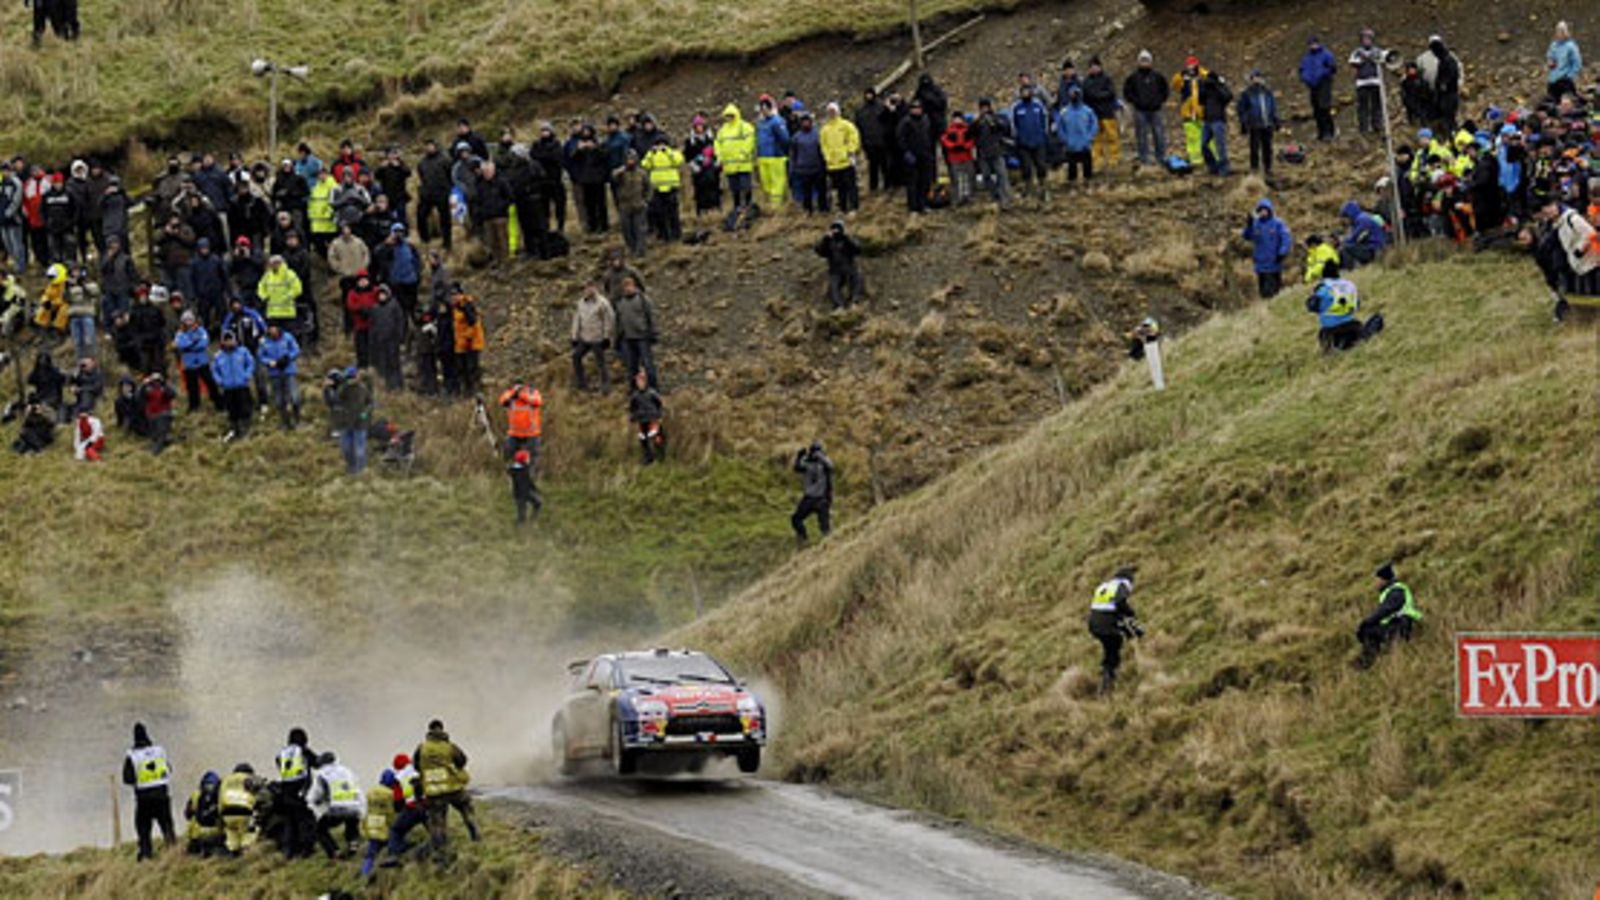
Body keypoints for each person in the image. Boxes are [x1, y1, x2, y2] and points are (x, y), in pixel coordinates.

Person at [414, 720, 480, 853]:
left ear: (429, 731)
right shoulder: (449, 746)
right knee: (466, 808)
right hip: (453, 788)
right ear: (442, 729)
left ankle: (441, 851)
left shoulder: (421, 748)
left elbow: (416, 766)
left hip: (434, 792)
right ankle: (475, 835)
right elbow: (462, 760)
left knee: (438, 823)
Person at [122, 722, 176, 861]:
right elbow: (169, 769)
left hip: (144, 799)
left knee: (143, 828)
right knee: (167, 826)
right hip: (162, 796)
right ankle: (174, 853)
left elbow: (127, 779)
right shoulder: (159, 751)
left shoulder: (133, 755)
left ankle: (146, 854)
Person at [1086, 567, 1143, 694]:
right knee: (1115, 645)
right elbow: (1120, 602)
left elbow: (1111, 609)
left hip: (1094, 623)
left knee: (1110, 648)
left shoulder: (1104, 586)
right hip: (1107, 623)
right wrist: (1131, 614)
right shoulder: (1122, 585)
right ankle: (1107, 681)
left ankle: (1106, 674)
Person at [1356, 562, 1422, 669]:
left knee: (1369, 630)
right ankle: (1368, 660)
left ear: (1384, 579)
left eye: (1377, 579)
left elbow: (1386, 610)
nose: (1375, 582)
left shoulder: (1396, 591)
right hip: (1399, 623)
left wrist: (1366, 622)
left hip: (1403, 625)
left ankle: (1366, 663)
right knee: (1370, 629)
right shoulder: (1391, 590)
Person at [307, 751, 364, 860]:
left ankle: (334, 852)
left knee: (320, 829)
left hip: (337, 808)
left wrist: (313, 802)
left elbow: (316, 794)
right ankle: (353, 843)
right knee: (351, 821)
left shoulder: (322, 774)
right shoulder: (347, 771)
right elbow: (357, 787)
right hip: (355, 806)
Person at [274, 727, 318, 859]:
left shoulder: (282, 753)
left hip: (285, 791)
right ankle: (306, 850)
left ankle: (289, 852)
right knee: (306, 821)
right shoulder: (303, 751)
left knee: (290, 823)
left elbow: (279, 764)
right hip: (300, 791)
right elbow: (317, 762)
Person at [1305, 261, 1366, 351]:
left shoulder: (1324, 289)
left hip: (1332, 331)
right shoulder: (1349, 286)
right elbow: (1357, 303)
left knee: (1323, 334)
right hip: (1352, 328)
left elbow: (1311, 306)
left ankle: (1332, 348)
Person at [1124, 50, 1170, 165]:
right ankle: (1144, 158)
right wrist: (1135, 102)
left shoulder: (1158, 76)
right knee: (1141, 136)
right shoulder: (1133, 77)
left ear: (1151, 62)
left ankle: (1161, 157)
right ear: (1138, 62)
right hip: (1140, 111)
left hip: (1156, 110)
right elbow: (1127, 92)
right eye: (1142, 61)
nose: (1144, 63)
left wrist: (1159, 101)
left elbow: (1165, 90)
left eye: (1147, 61)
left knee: (1159, 134)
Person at [613, 276, 659, 390]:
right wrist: (617, 338)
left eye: (630, 286)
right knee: (631, 367)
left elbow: (651, 316)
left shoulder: (643, 299)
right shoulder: (621, 303)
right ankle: (634, 390)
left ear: (634, 286)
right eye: (625, 287)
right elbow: (619, 322)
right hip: (628, 339)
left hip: (642, 337)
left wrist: (653, 333)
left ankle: (653, 388)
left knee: (648, 365)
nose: (628, 289)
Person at [1241, 198, 1293, 298]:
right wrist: (1249, 225)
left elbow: (1286, 238)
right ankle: (1265, 310)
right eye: (1260, 210)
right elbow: (1247, 236)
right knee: (1263, 291)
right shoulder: (1256, 225)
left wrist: (1282, 252)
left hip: (1274, 262)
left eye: (1265, 209)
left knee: (1273, 290)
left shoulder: (1278, 223)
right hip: (1260, 264)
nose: (1263, 212)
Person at [1007, 86, 1051, 201]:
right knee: (1026, 168)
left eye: (1028, 92)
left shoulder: (1038, 105)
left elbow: (1045, 119)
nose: (1026, 94)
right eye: (1023, 92)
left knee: (1041, 165)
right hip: (1023, 143)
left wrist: (1044, 134)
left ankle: (1044, 189)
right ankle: (1029, 189)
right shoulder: (1016, 107)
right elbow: (1012, 124)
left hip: (1039, 141)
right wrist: (1016, 137)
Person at [209, 330, 254, 442]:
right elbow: (214, 370)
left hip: (242, 385)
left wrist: (246, 375)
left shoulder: (243, 351)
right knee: (232, 410)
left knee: (244, 408)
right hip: (228, 387)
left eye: (231, 340)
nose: (229, 343)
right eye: (226, 340)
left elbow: (250, 363)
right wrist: (220, 381)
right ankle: (235, 429)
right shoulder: (218, 355)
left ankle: (246, 429)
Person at [715, 104, 757, 219]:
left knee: (746, 187)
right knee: (734, 189)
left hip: (743, 164)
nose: (729, 118)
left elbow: (750, 141)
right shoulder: (723, 130)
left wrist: (743, 154)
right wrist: (719, 156)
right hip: (730, 166)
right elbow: (717, 143)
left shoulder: (745, 127)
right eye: (727, 116)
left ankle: (748, 206)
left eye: (731, 116)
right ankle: (737, 207)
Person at [571, 281, 615, 393]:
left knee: (601, 362)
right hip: (585, 338)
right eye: (586, 289)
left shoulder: (603, 303)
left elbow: (609, 320)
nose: (588, 291)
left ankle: (606, 386)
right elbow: (577, 319)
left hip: (598, 338)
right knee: (576, 357)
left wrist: (606, 337)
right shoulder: (581, 303)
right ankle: (582, 384)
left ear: (595, 289)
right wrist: (574, 336)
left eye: (591, 288)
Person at [1235, 71, 1280, 178]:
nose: (1257, 80)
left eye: (1259, 77)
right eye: (1255, 78)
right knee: (1254, 148)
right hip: (1254, 124)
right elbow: (1241, 109)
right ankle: (1254, 168)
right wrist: (1244, 122)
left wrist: (1275, 119)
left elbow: (1272, 107)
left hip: (1267, 123)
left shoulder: (1267, 92)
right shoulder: (1247, 93)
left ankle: (1268, 168)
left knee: (1267, 147)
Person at [258, 323, 301, 430]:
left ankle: (298, 420)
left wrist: (288, 358)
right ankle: (284, 422)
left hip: (289, 370)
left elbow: (296, 349)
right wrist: (269, 362)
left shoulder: (287, 337)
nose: (272, 331)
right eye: (270, 329)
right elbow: (261, 356)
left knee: (294, 397)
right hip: (274, 372)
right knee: (279, 400)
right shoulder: (264, 342)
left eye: (274, 328)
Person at [642, 136, 686, 241]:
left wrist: (667, 151)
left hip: (671, 187)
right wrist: (651, 153)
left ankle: (676, 234)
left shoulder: (672, 152)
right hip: (657, 188)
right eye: (658, 144)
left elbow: (678, 161)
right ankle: (663, 234)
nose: (659, 147)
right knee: (659, 213)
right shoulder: (652, 154)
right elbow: (645, 165)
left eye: (662, 144)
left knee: (673, 213)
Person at [172, 312, 218, 413]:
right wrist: (194, 342)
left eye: (190, 320)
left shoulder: (201, 330)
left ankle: (218, 402)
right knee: (192, 387)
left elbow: (204, 343)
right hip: (189, 364)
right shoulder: (180, 333)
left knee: (211, 383)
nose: (189, 322)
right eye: (186, 320)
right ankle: (194, 406)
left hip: (203, 362)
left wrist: (190, 345)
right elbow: (180, 344)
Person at [386, 754, 428, 864]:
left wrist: (399, 811)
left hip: (412, 808)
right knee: (435, 832)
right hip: (429, 806)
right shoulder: (420, 770)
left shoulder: (399, 777)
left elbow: (398, 800)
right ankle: (437, 850)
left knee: (396, 831)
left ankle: (393, 855)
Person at [819, 103, 861, 214]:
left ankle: (854, 207)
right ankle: (843, 208)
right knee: (839, 188)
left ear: (838, 111)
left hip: (846, 162)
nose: (832, 113)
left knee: (851, 186)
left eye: (833, 111)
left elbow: (854, 139)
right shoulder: (825, 129)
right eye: (829, 111)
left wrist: (850, 151)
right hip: (833, 164)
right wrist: (827, 157)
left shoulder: (846, 125)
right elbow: (823, 145)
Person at [791, 440, 833, 546]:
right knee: (796, 519)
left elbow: (831, 467)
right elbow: (797, 468)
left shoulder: (825, 463)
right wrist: (799, 456)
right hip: (809, 498)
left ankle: (828, 547)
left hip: (821, 498)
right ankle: (804, 539)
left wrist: (820, 457)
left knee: (825, 528)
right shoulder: (808, 463)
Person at [331, 367, 374, 473]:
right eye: (348, 378)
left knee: (359, 449)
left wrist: (365, 414)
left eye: (352, 377)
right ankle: (351, 468)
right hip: (345, 423)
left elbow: (371, 403)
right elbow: (334, 402)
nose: (351, 380)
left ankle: (361, 471)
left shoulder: (363, 389)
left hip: (360, 423)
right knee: (346, 448)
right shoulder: (343, 389)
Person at [815, 220, 864, 310]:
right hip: (835, 270)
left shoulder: (848, 239)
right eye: (834, 228)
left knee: (857, 280)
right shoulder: (829, 242)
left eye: (838, 228)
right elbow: (820, 252)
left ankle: (855, 301)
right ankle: (839, 305)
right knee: (833, 286)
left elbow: (858, 249)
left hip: (849, 267)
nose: (836, 231)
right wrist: (825, 240)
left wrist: (847, 239)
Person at [972, 99, 1012, 206]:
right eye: (982, 107)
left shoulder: (996, 118)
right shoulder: (977, 122)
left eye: (986, 107)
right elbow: (970, 134)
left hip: (996, 151)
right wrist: (975, 123)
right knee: (986, 176)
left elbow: (1004, 128)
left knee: (1002, 175)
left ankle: (1006, 198)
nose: (984, 110)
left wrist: (994, 122)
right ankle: (995, 195)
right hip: (982, 153)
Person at [218, 764, 264, 856]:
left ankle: (233, 852)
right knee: (248, 833)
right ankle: (246, 853)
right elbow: (260, 795)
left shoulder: (226, 780)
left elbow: (219, 799)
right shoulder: (250, 778)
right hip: (245, 812)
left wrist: (221, 817)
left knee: (232, 833)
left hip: (227, 813)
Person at [1299, 36, 1339, 141]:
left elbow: (1333, 67)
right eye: (1311, 44)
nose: (1313, 46)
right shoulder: (1307, 58)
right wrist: (1305, 78)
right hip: (1312, 85)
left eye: (1314, 43)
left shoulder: (1326, 54)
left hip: (1324, 83)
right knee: (1316, 109)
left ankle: (1329, 131)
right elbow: (1302, 69)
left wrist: (1324, 73)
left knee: (1324, 107)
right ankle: (1321, 132)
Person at [1055, 88, 1099, 184]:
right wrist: (1064, 139)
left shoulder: (1088, 111)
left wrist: (1089, 138)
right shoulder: (1064, 111)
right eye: (1072, 95)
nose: (1074, 96)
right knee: (1072, 167)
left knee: (1087, 166)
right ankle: (1072, 184)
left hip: (1085, 145)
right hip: (1070, 145)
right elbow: (1059, 127)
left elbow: (1094, 125)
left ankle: (1088, 183)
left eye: (1076, 94)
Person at [360, 769, 398, 878]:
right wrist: (393, 825)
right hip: (382, 825)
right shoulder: (389, 794)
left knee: (372, 850)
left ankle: (365, 873)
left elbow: (365, 809)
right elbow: (390, 813)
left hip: (371, 823)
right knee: (377, 850)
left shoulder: (370, 791)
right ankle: (366, 874)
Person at [755, 96, 791, 209]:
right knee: (767, 184)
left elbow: (784, 139)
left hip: (776, 157)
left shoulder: (777, 121)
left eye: (766, 109)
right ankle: (769, 204)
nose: (764, 111)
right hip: (763, 157)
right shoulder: (760, 123)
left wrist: (783, 151)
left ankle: (777, 207)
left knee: (777, 183)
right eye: (762, 109)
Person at [1420, 35, 1461, 133]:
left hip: (1448, 95)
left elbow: (1450, 78)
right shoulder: (1445, 60)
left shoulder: (1448, 61)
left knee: (1449, 120)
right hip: (1446, 95)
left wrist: (1442, 85)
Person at [1349, 29, 1387, 135]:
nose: (1366, 41)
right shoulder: (1357, 52)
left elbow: (1385, 60)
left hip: (1375, 81)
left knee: (1377, 105)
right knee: (1363, 106)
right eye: (1364, 38)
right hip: (1362, 82)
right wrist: (1363, 59)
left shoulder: (1378, 51)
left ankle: (1377, 125)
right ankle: (1364, 128)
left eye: (1368, 38)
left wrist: (1374, 58)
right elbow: (1353, 62)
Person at [1172, 55, 1209, 162]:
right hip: (1188, 113)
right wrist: (1181, 74)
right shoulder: (1183, 79)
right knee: (1192, 138)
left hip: (1202, 112)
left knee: (1207, 138)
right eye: (1189, 65)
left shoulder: (1203, 78)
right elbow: (1175, 84)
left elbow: (1210, 76)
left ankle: (1209, 157)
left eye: (1193, 65)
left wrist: (1201, 71)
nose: (1191, 67)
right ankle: (1195, 159)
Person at [369, 286, 406, 391]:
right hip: (380, 341)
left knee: (394, 363)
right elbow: (372, 326)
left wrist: (400, 337)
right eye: (380, 294)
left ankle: (398, 386)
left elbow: (400, 321)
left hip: (392, 340)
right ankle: (388, 386)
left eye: (384, 294)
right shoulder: (375, 308)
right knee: (383, 365)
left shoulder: (394, 305)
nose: (382, 296)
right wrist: (373, 340)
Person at [614, 151, 650, 258]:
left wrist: (646, 200)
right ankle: (632, 248)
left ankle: (640, 251)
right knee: (627, 230)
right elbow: (614, 179)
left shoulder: (642, 173)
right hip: (625, 206)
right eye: (629, 159)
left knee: (640, 229)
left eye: (633, 159)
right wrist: (622, 170)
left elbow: (648, 188)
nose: (631, 161)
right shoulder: (620, 173)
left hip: (639, 205)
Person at [626, 369, 665, 465]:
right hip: (641, 420)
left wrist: (659, 415)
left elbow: (659, 404)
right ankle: (648, 458)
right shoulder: (635, 396)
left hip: (652, 419)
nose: (640, 384)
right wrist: (633, 417)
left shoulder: (652, 393)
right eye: (638, 382)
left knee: (656, 438)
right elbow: (632, 408)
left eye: (642, 381)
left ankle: (660, 457)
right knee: (643, 440)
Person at [1197, 70, 1232, 176]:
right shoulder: (1206, 89)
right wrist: (1202, 87)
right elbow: (1200, 100)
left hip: (1218, 120)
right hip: (1207, 120)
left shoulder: (1220, 88)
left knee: (1220, 146)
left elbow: (1228, 97)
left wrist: (1217, 86)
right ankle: (1213, 166)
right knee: (1203, 145)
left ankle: (1224, 168)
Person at [452, 286, 486, 395]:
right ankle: (467, 391)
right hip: (461, 342)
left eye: (456, 294)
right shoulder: (455, 307)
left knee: (471, 367)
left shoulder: (467, 305)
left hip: (471, 343)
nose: (454, 297)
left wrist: (467, 340)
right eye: (452, 295)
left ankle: (475, 391)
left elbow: (473, 323)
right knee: (462, 368)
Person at [182, 772, 225, 857]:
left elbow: (187, 815)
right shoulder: (221, 795)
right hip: (217, 833)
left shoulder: (195, 795)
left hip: (197, 834)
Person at [499, 380, 543, 462]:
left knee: (533, 458)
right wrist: (514, 393)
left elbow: (537, 401)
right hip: (514, 433)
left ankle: (531, 473)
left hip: (532, 433)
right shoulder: (510, 393)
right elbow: (502, 400)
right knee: (508, 455)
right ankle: (511, 472)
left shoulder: (532, 392)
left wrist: (521, 395)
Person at [1338, 201, 1388, 268]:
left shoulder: (1362, 220)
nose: (1345, 221)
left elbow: (1355, 238)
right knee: (1346, 248)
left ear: (1349, 214)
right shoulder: (1360, 218)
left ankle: (1349, 268)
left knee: (1346, 248)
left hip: (1374, 249)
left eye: (1345, 217)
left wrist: (1342, 242)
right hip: (1372, 247)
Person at [140, 373, 176, 454]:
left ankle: (155, 451)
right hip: (151, 416)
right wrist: (144, 385)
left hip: (163, 415)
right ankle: (165, 441)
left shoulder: (164, 389)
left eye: (158, 381)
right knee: (154, 436)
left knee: (161, 434)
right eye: (154, 381)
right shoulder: (148, 390)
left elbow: (173, 394)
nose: (156, 383)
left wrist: (166, 385)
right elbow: (140, 396)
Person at [1547, 22, 1582, 103]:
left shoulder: (1571, 46)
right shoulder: (1554, 45)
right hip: (1553, 79)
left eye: (1562, 31)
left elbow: (1577, 64)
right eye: (1558, 31)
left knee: (1567, 104)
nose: (1560, 33)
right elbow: (1550, 56)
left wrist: (1568, 76)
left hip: (1565, 80)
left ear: (1567, 32)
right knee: (1552, 105)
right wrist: (1550, 61)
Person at [508, 448, 541, 524]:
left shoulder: (518, 469)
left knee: (537, 503)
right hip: (521, 495)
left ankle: (532, 521)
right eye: (527, 458)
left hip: (523, 493)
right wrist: (535, 489)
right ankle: (522, 528)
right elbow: (528, 482)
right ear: (523, 460)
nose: (529, 459)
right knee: (522, 515)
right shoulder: (523, 471)